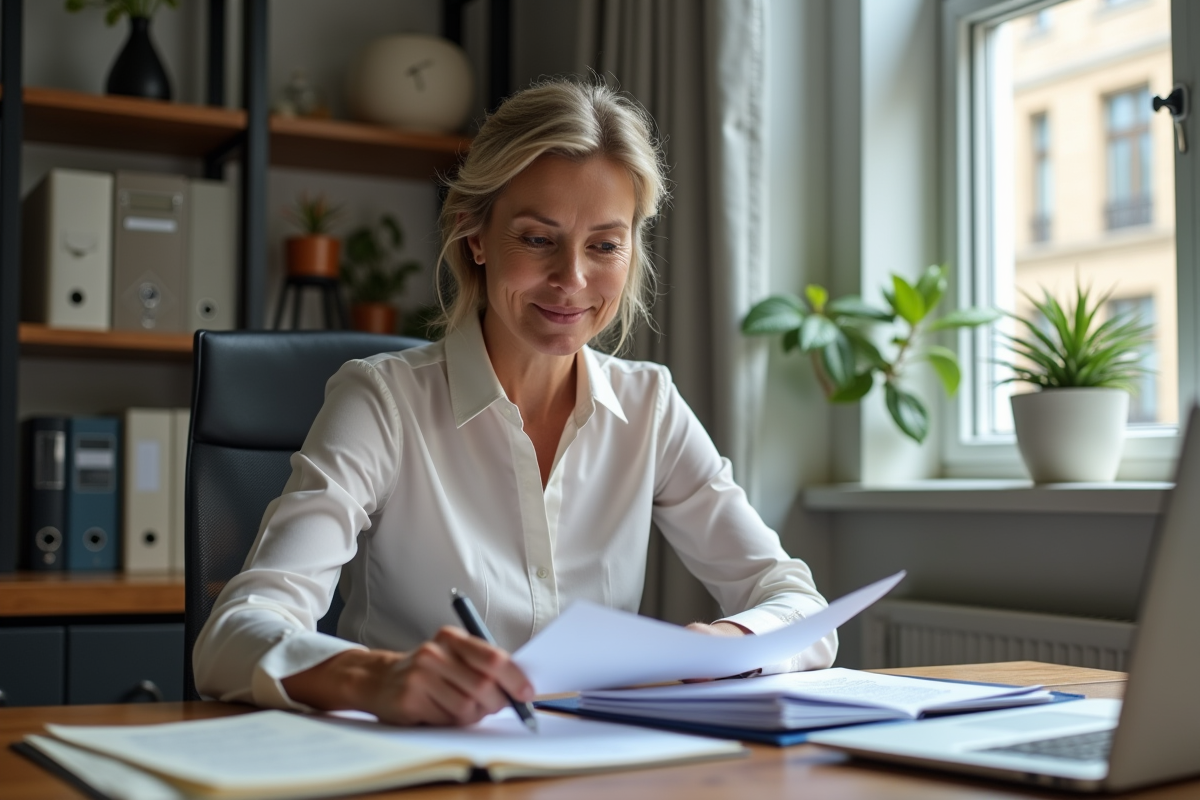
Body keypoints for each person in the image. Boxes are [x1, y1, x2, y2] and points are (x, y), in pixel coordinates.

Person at [193, 79, 836, 726]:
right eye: (536, 239)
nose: (572, 280)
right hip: (420, 769)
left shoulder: (650, 407)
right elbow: (230, 640)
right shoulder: (383, 401)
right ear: (475, 235)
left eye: (605, 245)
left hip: (594, 766)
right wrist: (379, 677)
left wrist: (721, 647)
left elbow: (801, 608)